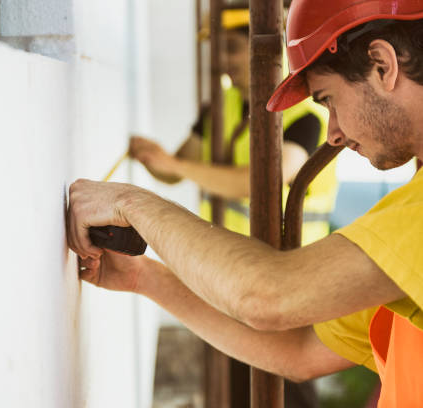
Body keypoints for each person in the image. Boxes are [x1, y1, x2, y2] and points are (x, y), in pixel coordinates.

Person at [68, 1, 423, 406]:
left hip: (275, 282)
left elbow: (267, 296)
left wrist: (131, 204)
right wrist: (144, 277)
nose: (334, 133)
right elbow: (301, 348)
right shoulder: (405, 217)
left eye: (328, 99)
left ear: (382, 64)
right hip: (254, 286)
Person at [129, 9, 337, 247]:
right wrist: (151, 156)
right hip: (225, 258)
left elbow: (260, 184)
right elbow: (175, 170)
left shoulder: (306, 116)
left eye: (231, 49)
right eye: (218, 51)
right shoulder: (219, 106)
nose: (223, 61)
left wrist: (173, 164)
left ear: (264, 50)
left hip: (285, 262)